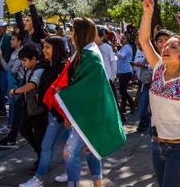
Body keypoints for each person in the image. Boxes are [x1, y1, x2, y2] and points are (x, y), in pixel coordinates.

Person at [139, 0, 180, 187]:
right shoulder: (158, 68)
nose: (165, 48)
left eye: (172, 46)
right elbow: (144, 40)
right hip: (156, 144)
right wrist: (147, 13)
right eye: (165, 45)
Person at [58, 17, 124, 187]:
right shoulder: (87, 52)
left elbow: (86, 87)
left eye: (73, 31)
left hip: (88, 113)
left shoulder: (90, 56)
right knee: (91, 149)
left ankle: (74, 184)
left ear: (79, 33)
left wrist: (64, 95)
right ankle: (98, 183)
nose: (71, 34)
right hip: (88, 111)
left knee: (70, 152)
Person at [20, 36, 69, 187]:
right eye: (44, 47)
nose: (44, 50)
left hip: (60, 116)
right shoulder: (48, 64)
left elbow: (65, 92)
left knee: (47, 146)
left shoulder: (62, 67)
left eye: (48, 47)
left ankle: (39, 179)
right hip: (53, 113)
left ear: (57, 49)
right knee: (68, 146)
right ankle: (70, 172)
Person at [7, 43, 48, 173]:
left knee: (40, 136)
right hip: (29, 107)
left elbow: (31, 85)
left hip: (39, 110)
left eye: (25, 60)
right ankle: (40, 155)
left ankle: (42, 161)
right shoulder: (30, 68)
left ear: (34, 59)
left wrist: (16, 91)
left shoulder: (40, 69)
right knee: (24, 129)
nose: (23, 63)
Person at [0, 31, 25, 138]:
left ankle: (10, 125)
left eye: (13, 39)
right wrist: (1, 57)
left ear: (19, 41)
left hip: (19, 81)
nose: (11, 41)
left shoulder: (21, 53)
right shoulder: (14, 53)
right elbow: (8, 68)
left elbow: (12, 70)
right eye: (11, 39)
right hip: (16, 80)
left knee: (13, 104)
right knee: (14, 104)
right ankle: (12, 124)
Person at [95, 25, 120, 118]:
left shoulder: (107, 47)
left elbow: (113, 62)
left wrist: (113, 76)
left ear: (102, 36)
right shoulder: (93, 48)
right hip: (98, 79)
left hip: (108, 78)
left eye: (96, 35)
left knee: (112, 101)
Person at [132, 37, 153, 133]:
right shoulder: (138, 51)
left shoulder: (150, 51)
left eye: (139, 43)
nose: (138, 46)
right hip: (141, 81)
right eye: (136, 43)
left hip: (149, 82)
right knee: (141, 104)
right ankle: (144, 124)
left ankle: (144, 125)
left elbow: (154, 66)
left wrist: (144, 66)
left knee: (143, 105)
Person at [117, 34, 136, 117]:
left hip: (126, 72)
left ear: (127, 40)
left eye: (123, 38)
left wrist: (114, 51)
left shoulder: (127, 47)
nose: (121, 40)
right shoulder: (123, 47)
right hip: (122, 72)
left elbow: (122, 55)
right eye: (121, 38)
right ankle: (123, 107)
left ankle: (131, 104)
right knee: (123, 90)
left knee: (122, 91)